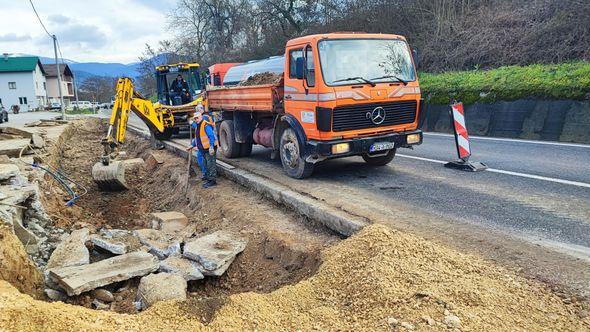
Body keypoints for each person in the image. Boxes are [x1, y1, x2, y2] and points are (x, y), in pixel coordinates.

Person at [187, 108, 217, 188]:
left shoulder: (205, 125)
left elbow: (211, 136)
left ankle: (212, 180)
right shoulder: (197, 126)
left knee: (210, 164)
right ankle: (208, 178)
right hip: (203, 149)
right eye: (195, 118)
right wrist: (192, 145)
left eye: (197, 118)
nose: (196, 119)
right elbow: (197, 138)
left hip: (209, 148)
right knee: (205, 164)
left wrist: (211, 147)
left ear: (201, 117)